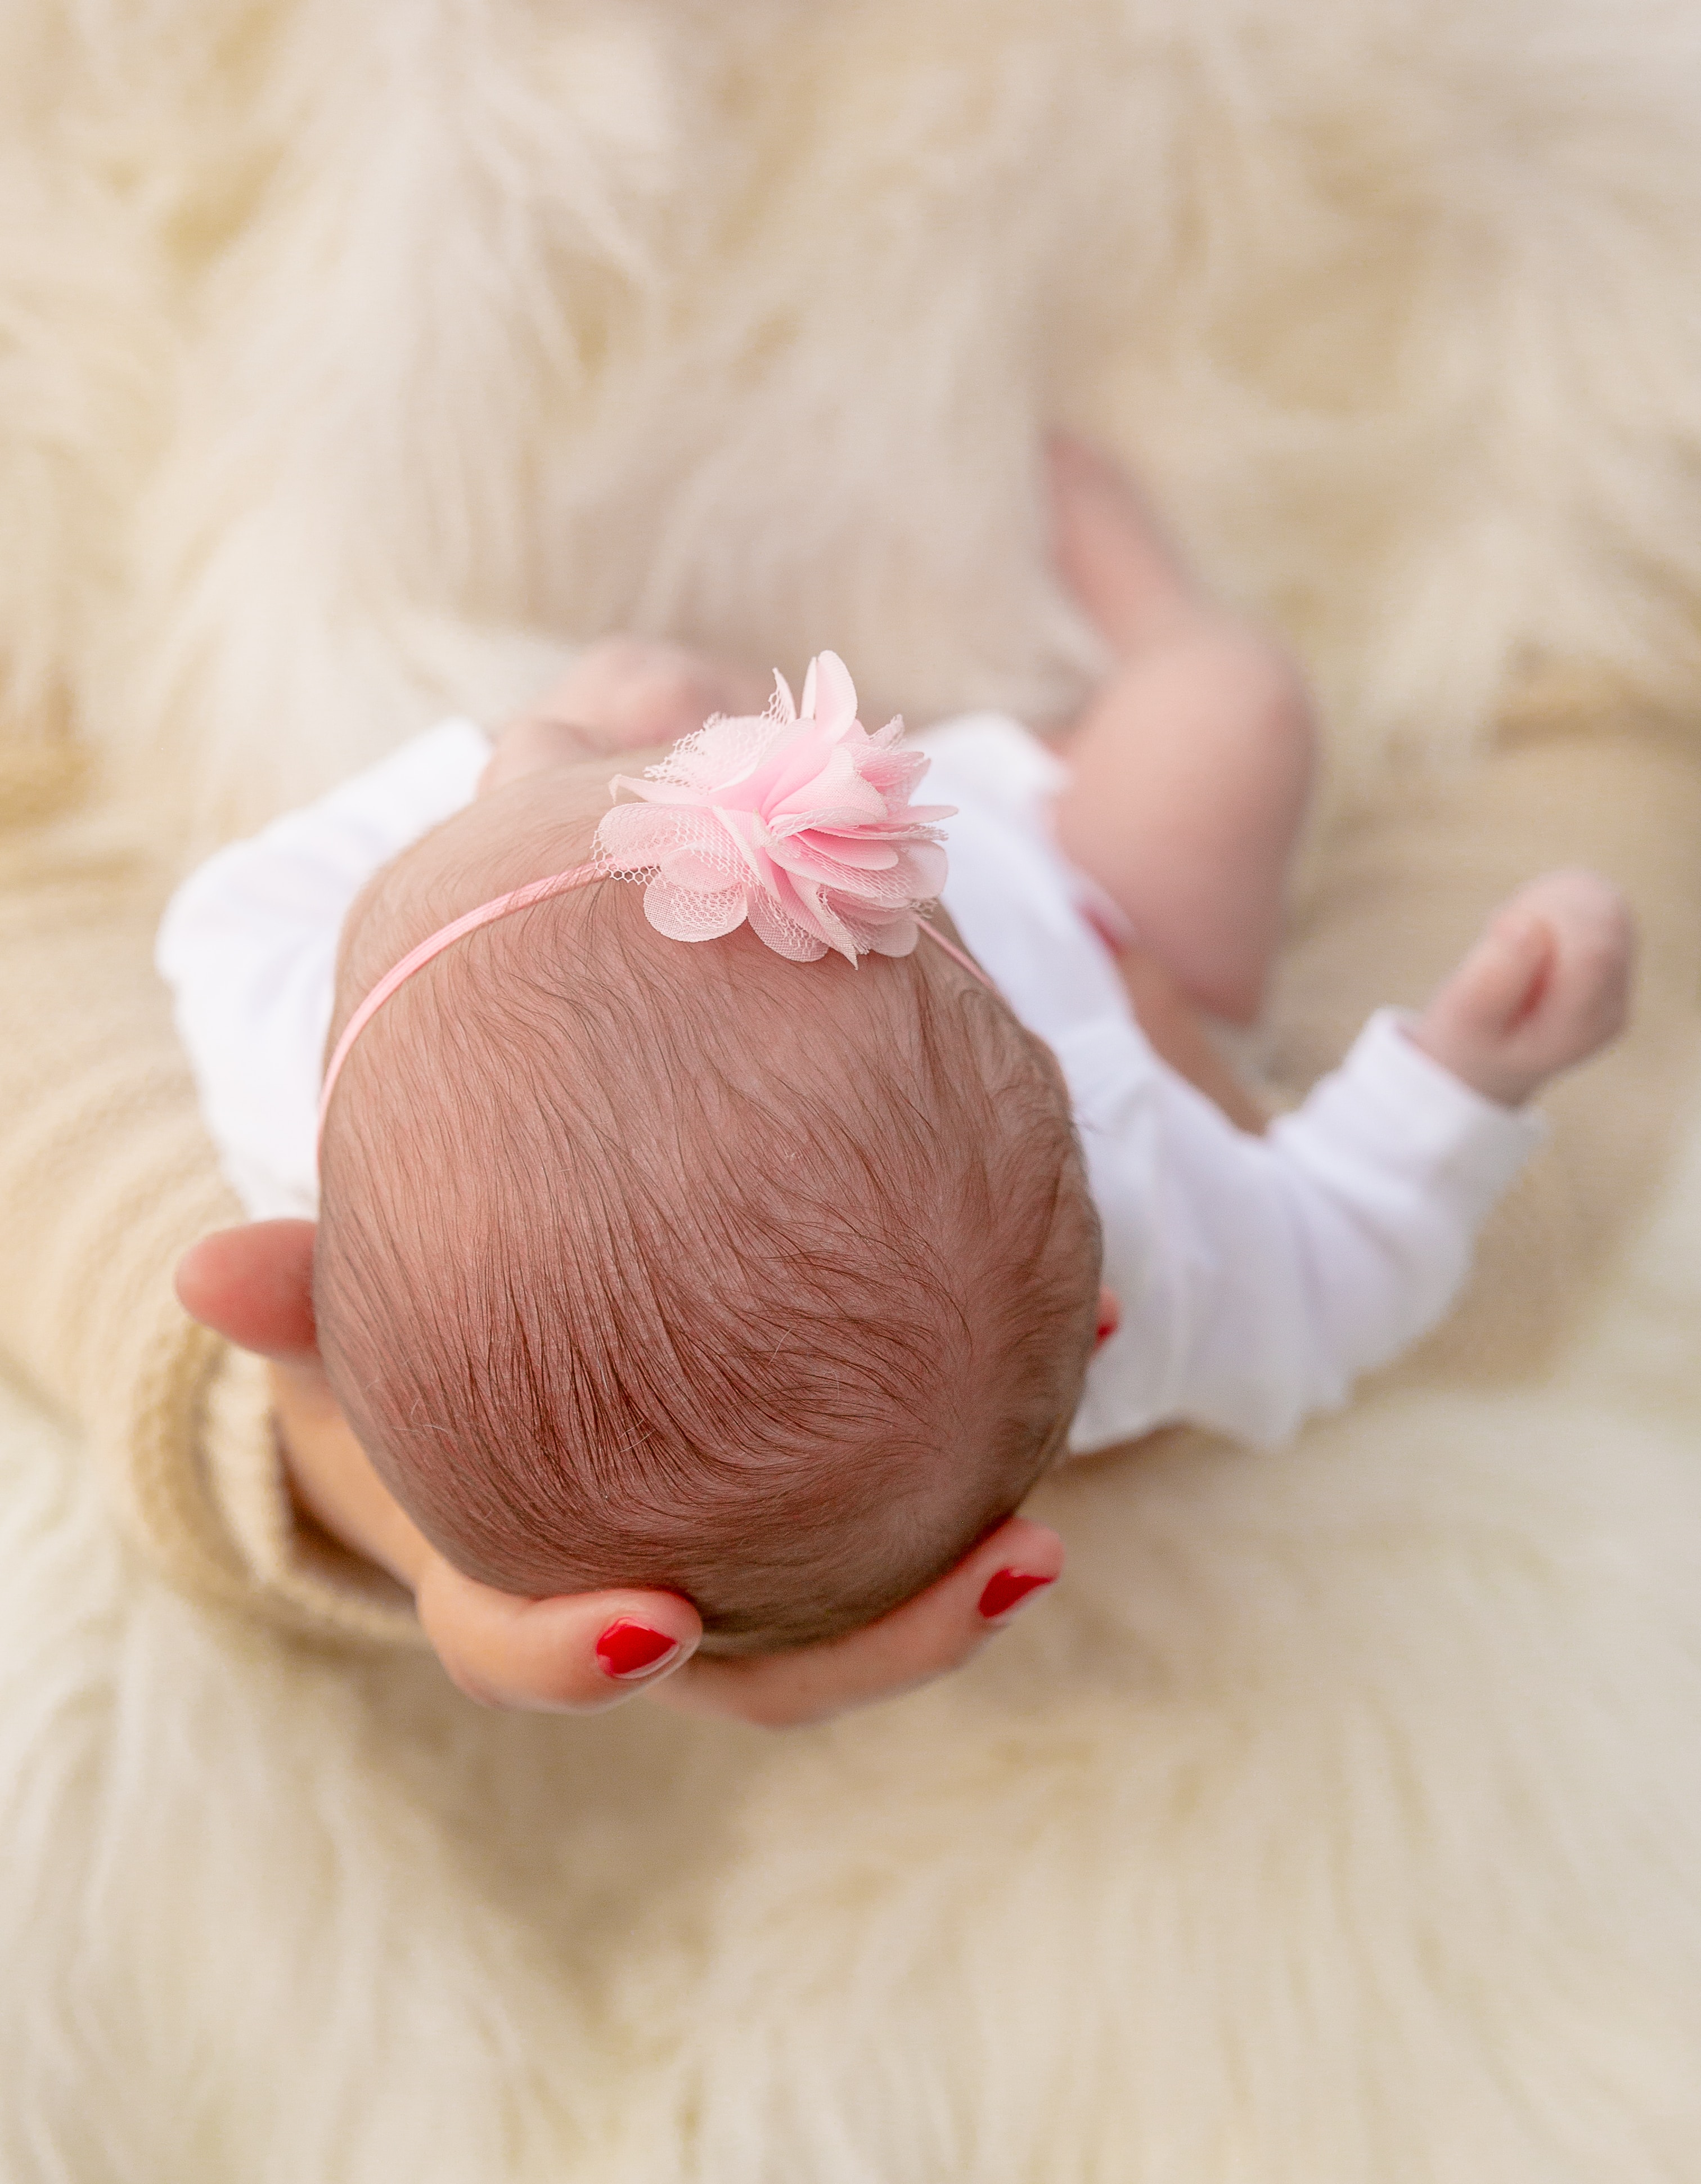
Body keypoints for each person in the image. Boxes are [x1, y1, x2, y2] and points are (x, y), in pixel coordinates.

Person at [160, 446, 1634, 1709]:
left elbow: (222, 914)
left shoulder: (296, 1076)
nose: (635, 746)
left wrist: (505, 767)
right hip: (1100, 890)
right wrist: (1463, 1080)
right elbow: (1338, 1274)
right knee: (1229, 719)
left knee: (649, 696)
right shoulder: (1148, 1245)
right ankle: (1150, 605)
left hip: (844, 853)